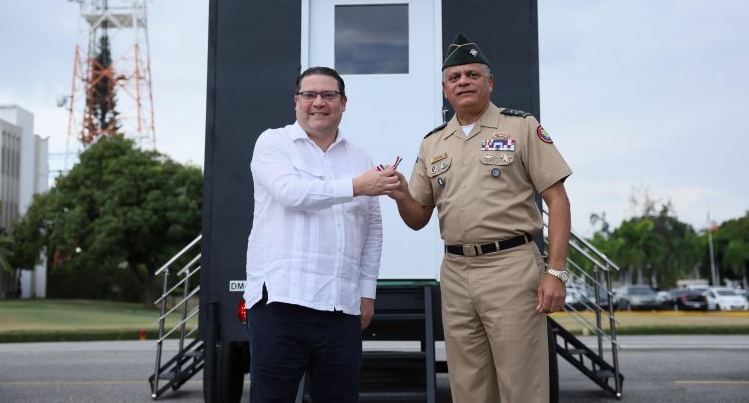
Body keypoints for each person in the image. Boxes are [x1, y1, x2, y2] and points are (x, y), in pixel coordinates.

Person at [388, 33, 572, 402]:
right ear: (445, 89)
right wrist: (399, 194)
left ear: (490, 82)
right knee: (467, 383)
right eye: (454, 78)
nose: (463, 82)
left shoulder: (520, 127)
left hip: (511, 266)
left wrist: (555, 273)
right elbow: (418, 217)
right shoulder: (433, 142)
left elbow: (558, 200)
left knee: (521, 382)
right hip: (455, 272)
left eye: (472, 74)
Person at [245, 66, 399, 403]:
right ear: (295, 101)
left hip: (341, 309)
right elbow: (291, 193)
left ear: (343, 103)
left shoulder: (359, 156)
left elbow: (372, 229)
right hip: (282, 304)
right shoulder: (273, 142)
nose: (319, 102)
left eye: (328, 95)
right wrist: (358, 185)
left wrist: (367, 293)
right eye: (309, 95)